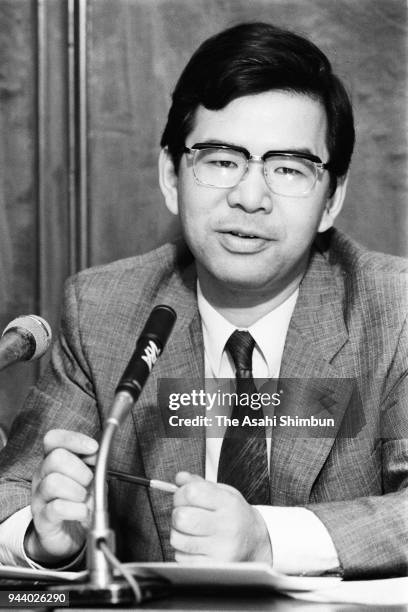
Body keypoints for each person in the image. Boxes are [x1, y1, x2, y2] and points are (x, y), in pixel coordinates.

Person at [0, 22, 406, 579]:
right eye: (221, 160)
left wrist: (266, 539)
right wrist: (42, 535)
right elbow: (15, 489)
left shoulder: (396, 310)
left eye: (287, 168)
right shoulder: (104, 312)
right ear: (172, 175)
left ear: (332, 199)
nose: (250, 196)